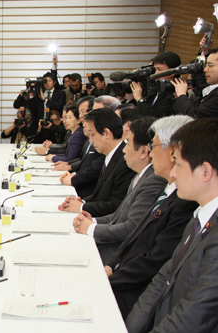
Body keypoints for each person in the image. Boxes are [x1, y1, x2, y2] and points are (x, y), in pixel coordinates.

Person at [126, 117, 218, 333]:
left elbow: (193, 314)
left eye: (177, 163)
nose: (173, 173)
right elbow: (162, 279)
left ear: (205, 171)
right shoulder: (199, 218)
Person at [100, 115, 196, 319]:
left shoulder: (185, 202)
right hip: (122, 274)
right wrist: (110, 265)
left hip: (133, 291)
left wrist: (110, 278)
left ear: (173, 151)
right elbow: (135, 236)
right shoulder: (168, 190)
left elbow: (155, 259)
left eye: (154, 146)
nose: (151, 154)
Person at [72, 117, 167, 264]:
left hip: (114, 254)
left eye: (128, 143)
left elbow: (130, 228)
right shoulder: (140, 175)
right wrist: (93, 220)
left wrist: (92, 229)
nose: (124, 149)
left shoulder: (153, 180)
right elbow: (119, 215)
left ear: (143, 151)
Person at [59, 108, 136, 216]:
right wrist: (82, 202)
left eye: (93, 135)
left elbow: (116, 205)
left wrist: (82, 207)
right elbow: (101, 195)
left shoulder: (125, 161)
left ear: (106, 133)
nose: (90, 140)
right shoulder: (111, 155)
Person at [172, 48, 218, 118]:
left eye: (210, 65)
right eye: (206, 65)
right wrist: (179, 97)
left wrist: (182, 95)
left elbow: (195, 117)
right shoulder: (209, 91)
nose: (205, 69)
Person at [132, 51, 181, 117]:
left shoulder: (176, 93)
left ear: (173, 72)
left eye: (159, 69)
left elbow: (156, 116)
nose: (155, 73)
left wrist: (139, 99)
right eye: (155, 69)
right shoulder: (156, 89)